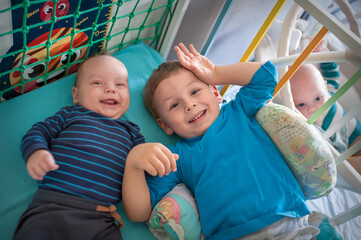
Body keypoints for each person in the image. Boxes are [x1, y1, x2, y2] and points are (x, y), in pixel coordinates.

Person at [122, 43, 320, 239]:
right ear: (165, 125)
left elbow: (266, 75)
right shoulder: (177, 156)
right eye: (174, 105)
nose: (189, 105)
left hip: (287, 221)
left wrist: (215, 73)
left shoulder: (240, 111)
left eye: (194, 91)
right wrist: (134, 164)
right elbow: (140, 212)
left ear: (216, 93)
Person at [13, 53, 145, 240]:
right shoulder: (70, 115)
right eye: (98, 83)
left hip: (102, 219)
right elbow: (38, 131)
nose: (110, 89)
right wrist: (36, 151)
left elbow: (144, 166)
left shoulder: (132, 133)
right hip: (52, 208)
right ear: (76, 95)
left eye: (120, 85)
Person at [290, 63, 361, 174]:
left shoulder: (330, 90)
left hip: (356, 135)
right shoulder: (309, 126)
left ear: (325, 86)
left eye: (318, 98)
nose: (313, 108)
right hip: (342, 156)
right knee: (352, 170)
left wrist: (323, 54)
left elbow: (332, 72)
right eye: (301, 105)